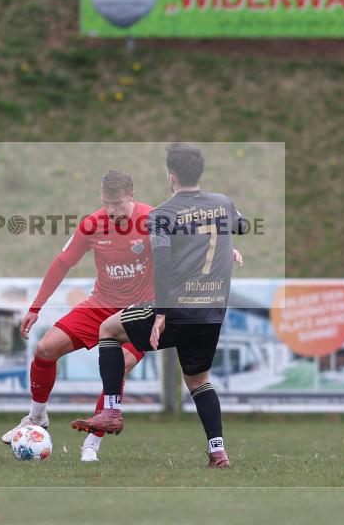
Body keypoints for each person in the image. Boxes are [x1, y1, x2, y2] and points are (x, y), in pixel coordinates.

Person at [71, 143, 246, 468]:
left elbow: (163, 261)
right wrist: (229, 245)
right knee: (198, 381)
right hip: (211, 312)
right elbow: (240, 225)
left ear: (171, 176)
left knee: (107, 329)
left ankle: (110, 411)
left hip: (178, 306)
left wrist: (161, 312)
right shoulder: (223, 203)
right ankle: (218, 450)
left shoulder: (162, 214)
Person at [0, 169, 154, 462]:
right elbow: (62, 263)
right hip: (101, 304)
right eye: (105, 203)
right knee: (45, 348)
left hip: (140, 310)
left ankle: (91, 446)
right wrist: (35, 308)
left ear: (131, 197)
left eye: (117, 204)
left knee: (118, 365)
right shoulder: (92, 225)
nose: (110, 211)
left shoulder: (153, 219)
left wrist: (226, 247)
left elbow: (188, 241)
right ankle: (36, 418)